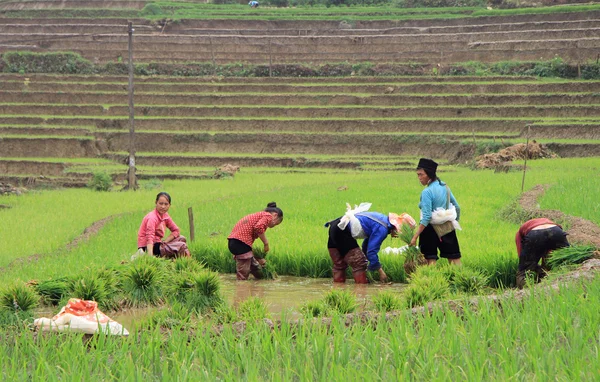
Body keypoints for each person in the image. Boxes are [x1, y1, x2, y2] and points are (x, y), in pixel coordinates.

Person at [326, 211, 413, 284]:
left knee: (339, 264)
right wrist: (381, 272)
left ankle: (337, 289)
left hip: (335, 226)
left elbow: (366, 246)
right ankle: (361, 292)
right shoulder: (382, 228)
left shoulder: (381, 220)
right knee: (359, 263)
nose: (398, 236)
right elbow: (371, 251)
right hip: (342, 229)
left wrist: (368, 261)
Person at [410, 158, 462, 266]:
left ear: (429, 173)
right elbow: (457, 207)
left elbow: (427, 217)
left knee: (429, 259)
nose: (419, 178)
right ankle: (462, 280)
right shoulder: (445, 186)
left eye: (421, 174)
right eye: (418, 175)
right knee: (454, 258)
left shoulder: (427, 192)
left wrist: (415, 236)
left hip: (429, 229)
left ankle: (430, 281)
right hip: (447, 226)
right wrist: (454, 221)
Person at [228, 202, 283, 280]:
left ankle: (262, 279)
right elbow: (259, 227)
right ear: (275, 215)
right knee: (243, 274)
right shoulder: (268, 215)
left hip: (235, 242)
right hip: (240, 243)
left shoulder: (259, 216)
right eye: (276, 223)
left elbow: (249, 235)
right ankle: (241, 288)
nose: (273, 226)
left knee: (255, 266)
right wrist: (266, 244)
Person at [515, 218, 569, 288]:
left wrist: (529, 265)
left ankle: (524, 293)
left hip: (535, 234)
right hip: (556, 231)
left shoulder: (519, 234)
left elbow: (522, 255)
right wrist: (544, 266)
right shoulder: (545, 221)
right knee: (568, 261)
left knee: (523, 271)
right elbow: (549, 252)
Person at [137, 192, 191, 259]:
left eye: (166, 204)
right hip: (148, 247)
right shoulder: (152, 218)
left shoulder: (165, 216)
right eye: (161, 203)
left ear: (169, 205)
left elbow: (176, 230)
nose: (163, 207)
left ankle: (175, 261)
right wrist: (150, 257)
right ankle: (189, 264)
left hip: (158, 244)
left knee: (182, 238)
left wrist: (165, 242)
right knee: (181, 245)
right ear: (156, 202)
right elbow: (149, 238)